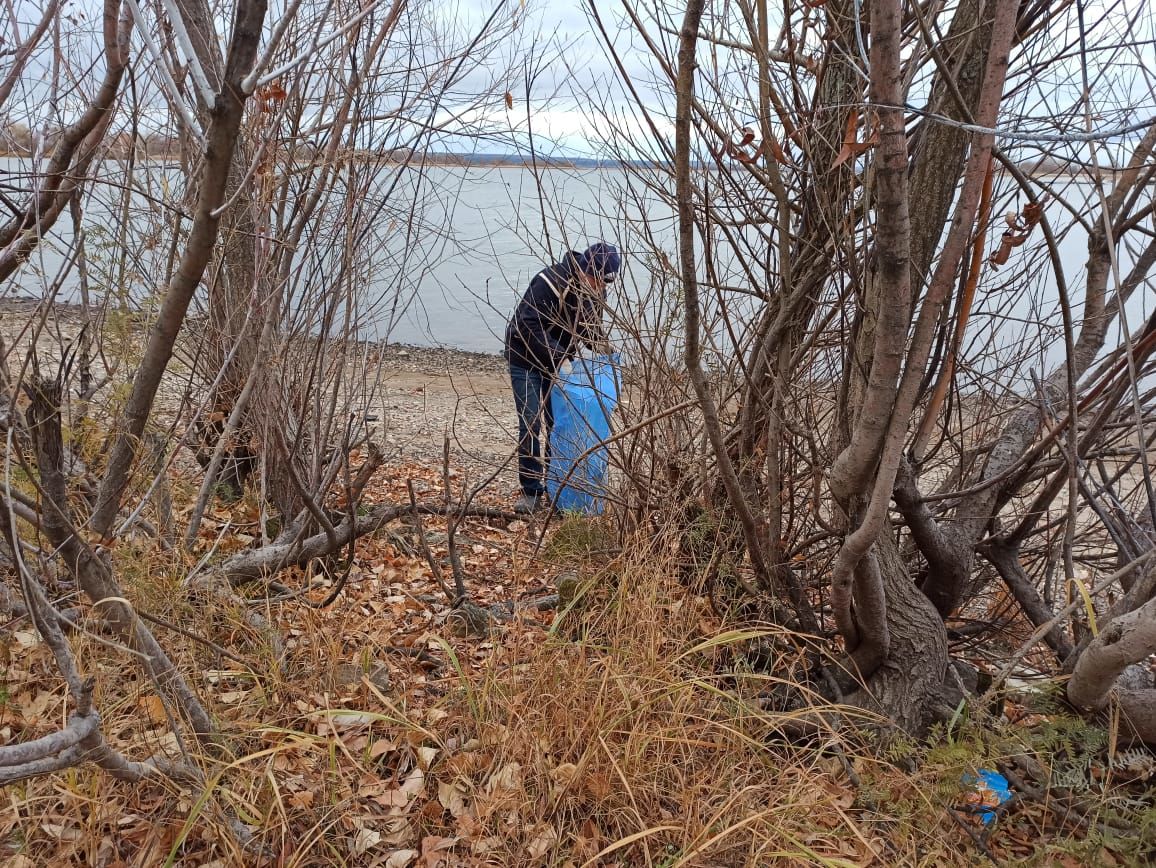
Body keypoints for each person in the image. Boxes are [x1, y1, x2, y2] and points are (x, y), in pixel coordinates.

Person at [503, 242, 620, 514]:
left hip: (557, 364)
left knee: (558, 425)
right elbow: (526, 323)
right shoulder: (550, 282)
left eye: (605, 282)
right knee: (530, 423)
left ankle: (558, 490)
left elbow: (588, 329)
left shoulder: (595, 291)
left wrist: (605, 350)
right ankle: (531, 491)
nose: (600, 286)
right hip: (525, 359)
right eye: (596, 279)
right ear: (585, 269)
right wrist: (559, 356)